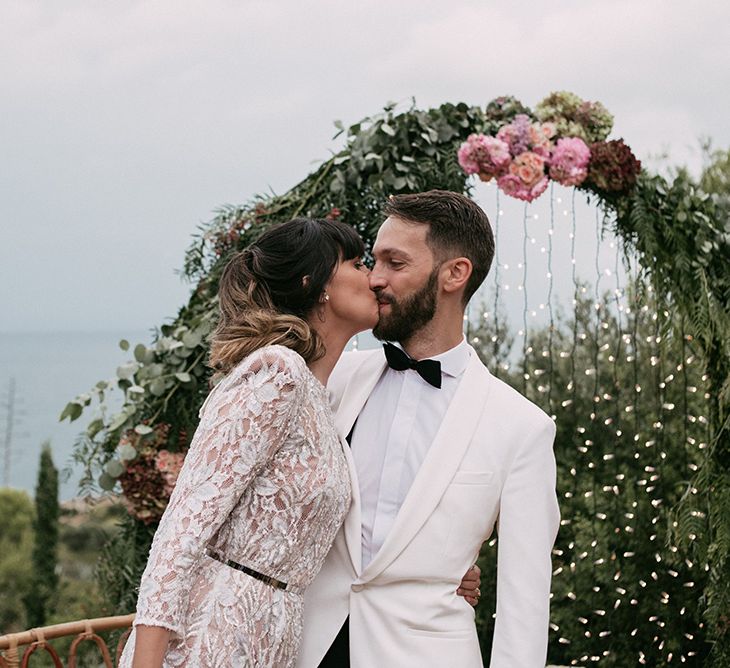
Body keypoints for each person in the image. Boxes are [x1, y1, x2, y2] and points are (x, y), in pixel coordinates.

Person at [120, 216, 478, 668]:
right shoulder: (277, 373)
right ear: (317, 284)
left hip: (279, 637)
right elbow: (181, 532)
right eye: (356, 263)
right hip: (212, 632)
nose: (372, 278)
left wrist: (439, 567)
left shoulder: (325, 396)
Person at [297, 191, 560, 668]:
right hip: (303, 647)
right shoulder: (331, 379)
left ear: (454, 274)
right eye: (374, 261)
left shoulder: (522, 428)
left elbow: (525, 600)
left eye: (395, 263)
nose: (375, 279)